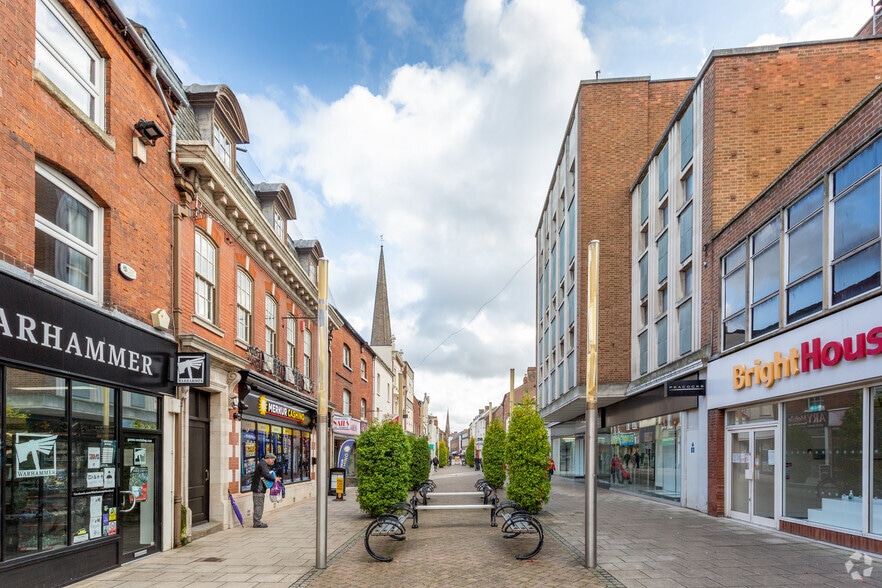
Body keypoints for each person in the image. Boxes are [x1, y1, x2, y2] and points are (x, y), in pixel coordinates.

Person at [251, 453, 276, 528]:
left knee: (259, 505)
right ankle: (257, 523)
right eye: (272, 460)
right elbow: (266, 475)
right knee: (259, 506)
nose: (273, 462)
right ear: (268, 458)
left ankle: (257, 521)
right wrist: (274, 479)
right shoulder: (263, 464)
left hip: (259, 489)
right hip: (258, 489)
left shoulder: (263, 464)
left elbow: (264, 475)